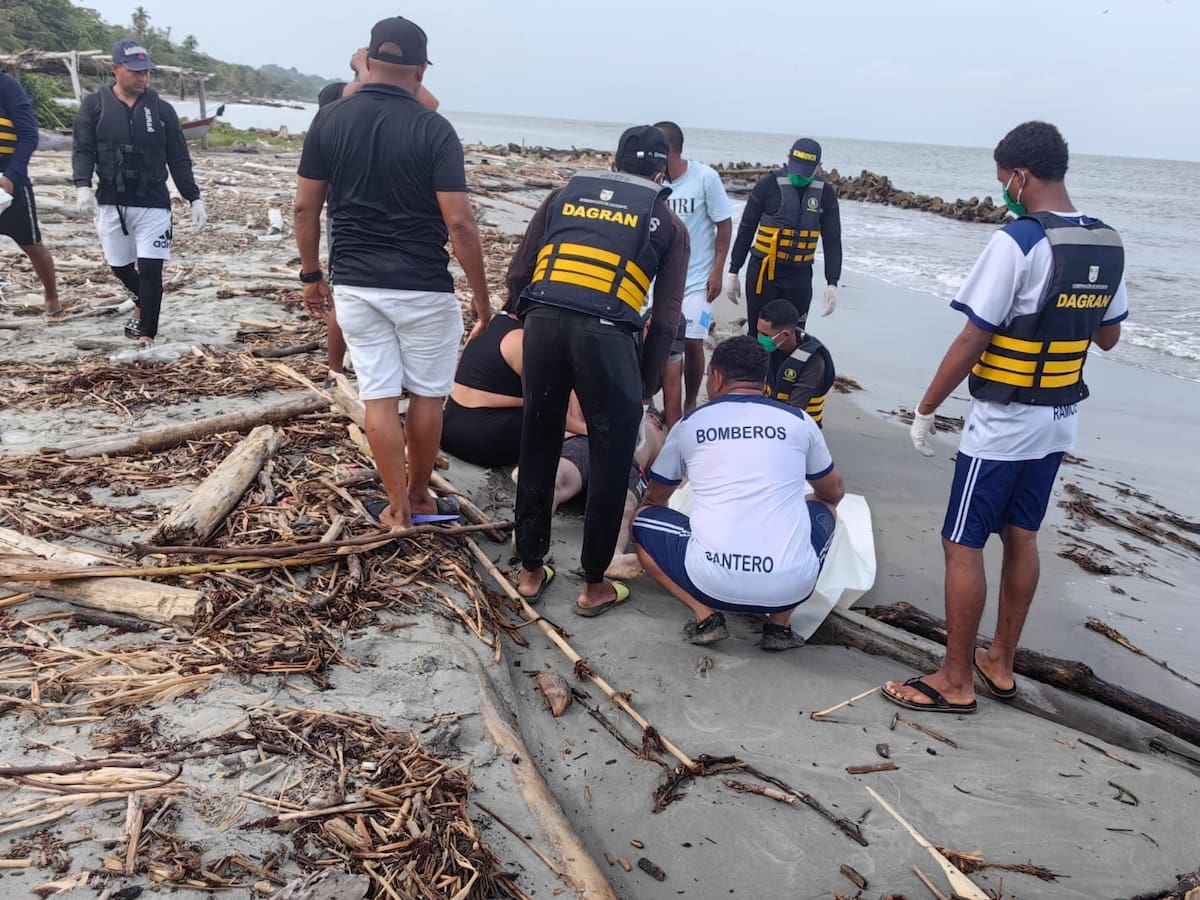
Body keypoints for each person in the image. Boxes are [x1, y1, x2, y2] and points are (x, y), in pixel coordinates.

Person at [883, 121, 1128, 714]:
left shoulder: (1017, 241)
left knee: (961, 541)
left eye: (1003, 182)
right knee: (1022, 534)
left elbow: (973, 338)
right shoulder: (1106, 240)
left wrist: (925, 408)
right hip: (1060, 416)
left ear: (1020, 175)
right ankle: (1000, 661)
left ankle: (955, 680)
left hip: (1004, 420)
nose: (1003, 193)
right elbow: (1109, 337)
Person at [295, 16, 491, 528]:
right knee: (428, 396)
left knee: (378, 395)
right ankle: (423, 496)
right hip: (423, 284)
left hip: (357, 283)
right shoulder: (434, 128)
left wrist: (310, 273)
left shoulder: (330, 119)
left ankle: (397, 509)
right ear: (422, 69)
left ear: (368, 61)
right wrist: (482, 297)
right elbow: (460, 224)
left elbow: (304, 209)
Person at [505, 125, 688, 616]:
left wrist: (531, 319)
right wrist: (644, 385)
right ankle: (593, 586)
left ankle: (528, 571)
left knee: (538, 441)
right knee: (611, 461)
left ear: (613, 164)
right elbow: (667, 319)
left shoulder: (563, 197)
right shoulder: (668, 223)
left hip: (543, 322)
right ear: (662, 172)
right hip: (609, 336)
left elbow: (519, 274)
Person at [632, 336, 844, 648]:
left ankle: (706, 615)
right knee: (824, 508)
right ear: (765, 379)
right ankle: (779, 626)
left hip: (710, 581)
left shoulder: (692, 423)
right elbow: (833, 491)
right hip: (790, 586)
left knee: (643, 520)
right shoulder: (799, 421)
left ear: (716, 377)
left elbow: (658, 494)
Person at [317, 52, 439, 388]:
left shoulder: (364, 110)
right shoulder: (338, 106)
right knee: (347, 292)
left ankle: (367, 365)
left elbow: (431, 103)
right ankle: (335, 370)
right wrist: (363, 67)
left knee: (361, 294)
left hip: (382, 214)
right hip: (351, 217)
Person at [72, 38, 206, 345]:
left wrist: (193, 197)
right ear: (116, 69)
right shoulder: (94, 106)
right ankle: (142, 304)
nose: (143, 77)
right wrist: (82, 186)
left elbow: (178, 157)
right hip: (111, 202)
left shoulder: (162, 110)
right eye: (136, 71)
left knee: (150, 270)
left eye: (147, 71)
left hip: (153, 203)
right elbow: (82, 150)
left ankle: (147, 334)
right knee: (120, 267)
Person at [441, 300, 589, 468]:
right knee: (572, 432)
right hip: (483, 440)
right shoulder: (526, 340)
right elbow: (548, 407)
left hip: (449, 426)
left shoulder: (489, 322)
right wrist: (586, 430)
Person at [654, 121, 732, 424]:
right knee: (656, 339)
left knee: (692, 341)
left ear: (668, 149)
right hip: (658, 280)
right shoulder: (653, 178)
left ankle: (688, 404)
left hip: (698, 279)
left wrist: (719, 270)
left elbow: (723, 225)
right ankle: (655, 402)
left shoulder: (705, 178)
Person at [726, 138, 841, 335]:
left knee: (794, 336)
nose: (798, 175)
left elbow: (832, 240)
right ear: (788, 160)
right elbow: (746, 229)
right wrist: (733, 272)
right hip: (763, 274)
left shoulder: (826, 195)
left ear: (818, 167)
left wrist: (832, 282)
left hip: (799, 277)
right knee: (759, 335)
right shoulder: (767, 186)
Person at [543, 401, 668, 581]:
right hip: (597, 448)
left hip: (613, 456)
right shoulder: (651, 429)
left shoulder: (654, 433)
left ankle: (612, 556)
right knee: (557, 479)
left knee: (623, 506)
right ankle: (613, 554)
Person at [0, 72, 61, 321]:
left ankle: (52, 298)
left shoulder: (7, 86)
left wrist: (12, 175)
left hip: (8, 179)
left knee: (31, 243)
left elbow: (29, 135)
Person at [757, 298, 836, 426]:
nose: (759, 338)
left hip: (799, 426)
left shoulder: (813, 363)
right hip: (770, 415)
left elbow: (794, 411)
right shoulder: (772, 347)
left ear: (785, 335)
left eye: (764, 335)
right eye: (758, 332)